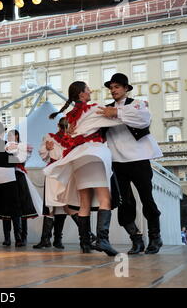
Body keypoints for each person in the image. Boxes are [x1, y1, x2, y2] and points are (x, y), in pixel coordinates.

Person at [44, 81, 124, 256]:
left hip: (77, 158)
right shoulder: (93, 109)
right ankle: (103, 240)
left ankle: (85, 243)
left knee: (84, 203)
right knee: (105, 199)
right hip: (94, 154)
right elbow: (117, 118)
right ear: (81, 94)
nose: (91, 91)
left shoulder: (70, 117)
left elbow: (71, 136)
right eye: (88, 89)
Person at [99, 73, 163, 254]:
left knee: (147, 199)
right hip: (118, 162)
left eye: (117, 87)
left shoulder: (138, 104)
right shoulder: (106, 109)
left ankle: (155, 238)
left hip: (139, 160)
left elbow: (143, 120)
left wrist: (117, 112)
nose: (113, 90)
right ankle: (136, 239)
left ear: (126, 88)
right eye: (111, 88)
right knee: (125, 203)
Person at [36, 117, 96, 249]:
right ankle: (56, 240)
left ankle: (52, 239)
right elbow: (44, 154)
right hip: (61, 174)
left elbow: (43, 155)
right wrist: (47, 148)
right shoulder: (56, 138)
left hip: (58, 174)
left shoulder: (70, 140)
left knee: (60, 207)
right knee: (61, 207)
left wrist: (47, 149)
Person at [4, 129, 40, 246]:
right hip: (7, 177)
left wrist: (6, 157)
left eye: (12, 136)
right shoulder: (5, 147)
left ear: (17, 136)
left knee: (22, 207)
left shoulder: (22, 147)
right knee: (7, 207)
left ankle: (22, 237)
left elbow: (20, 159)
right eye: (8, 136)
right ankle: (7, 238)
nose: (9, 138)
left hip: (19, 177)